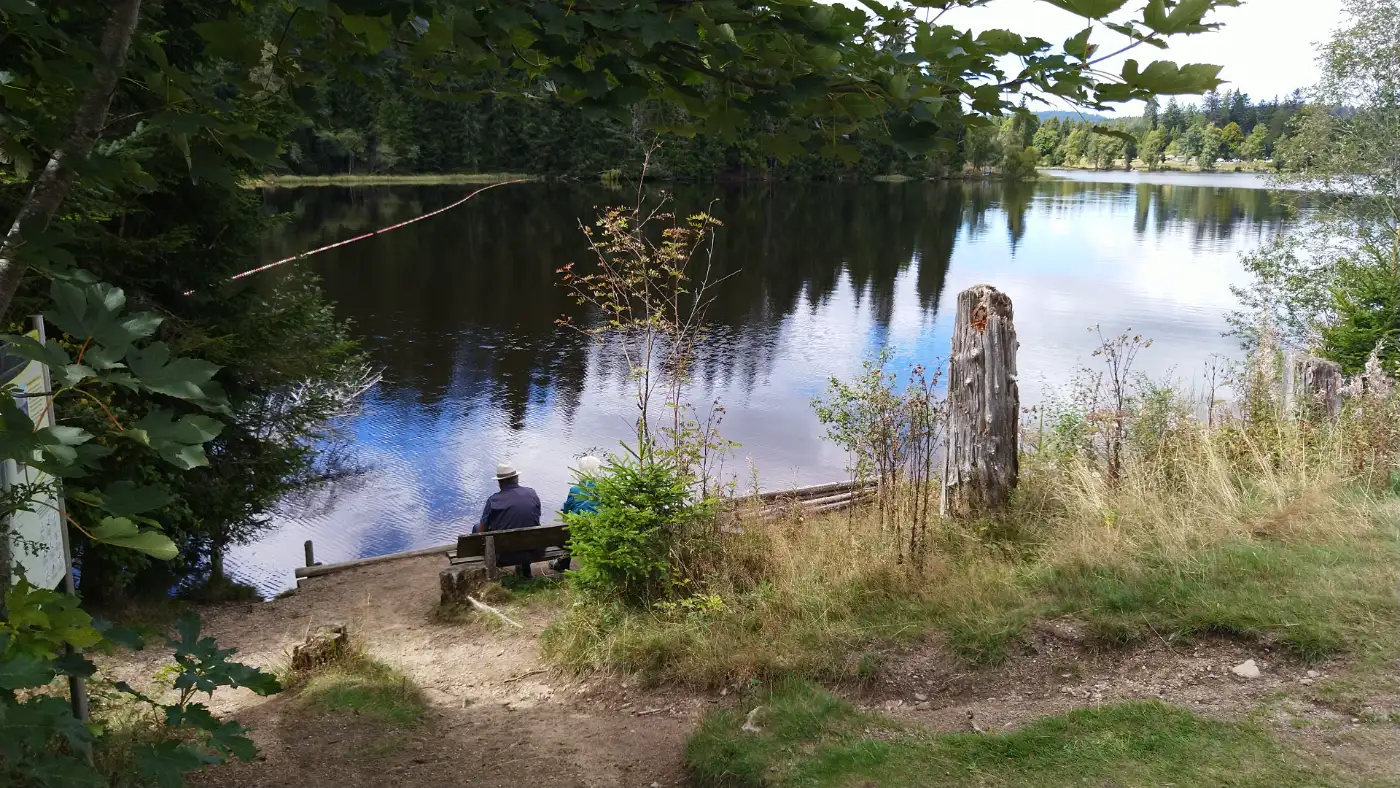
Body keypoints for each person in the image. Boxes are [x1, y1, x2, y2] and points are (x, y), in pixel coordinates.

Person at [475, 461, 542, 578]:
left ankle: (486, 573)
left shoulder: (493, 500)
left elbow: (481, 530)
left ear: (499, 483)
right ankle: (525, 571)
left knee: (476, 528)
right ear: (516, 478)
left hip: (505, 554)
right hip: (534, 550)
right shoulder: (532, 493)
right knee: (525, 525)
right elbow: (536, 516)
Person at [554, 455, 603, 574]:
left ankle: (563, 562)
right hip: (600, 533)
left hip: (579, 535)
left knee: (566, 533)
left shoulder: (575, 490)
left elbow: (566, 512)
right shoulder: (603, 489)